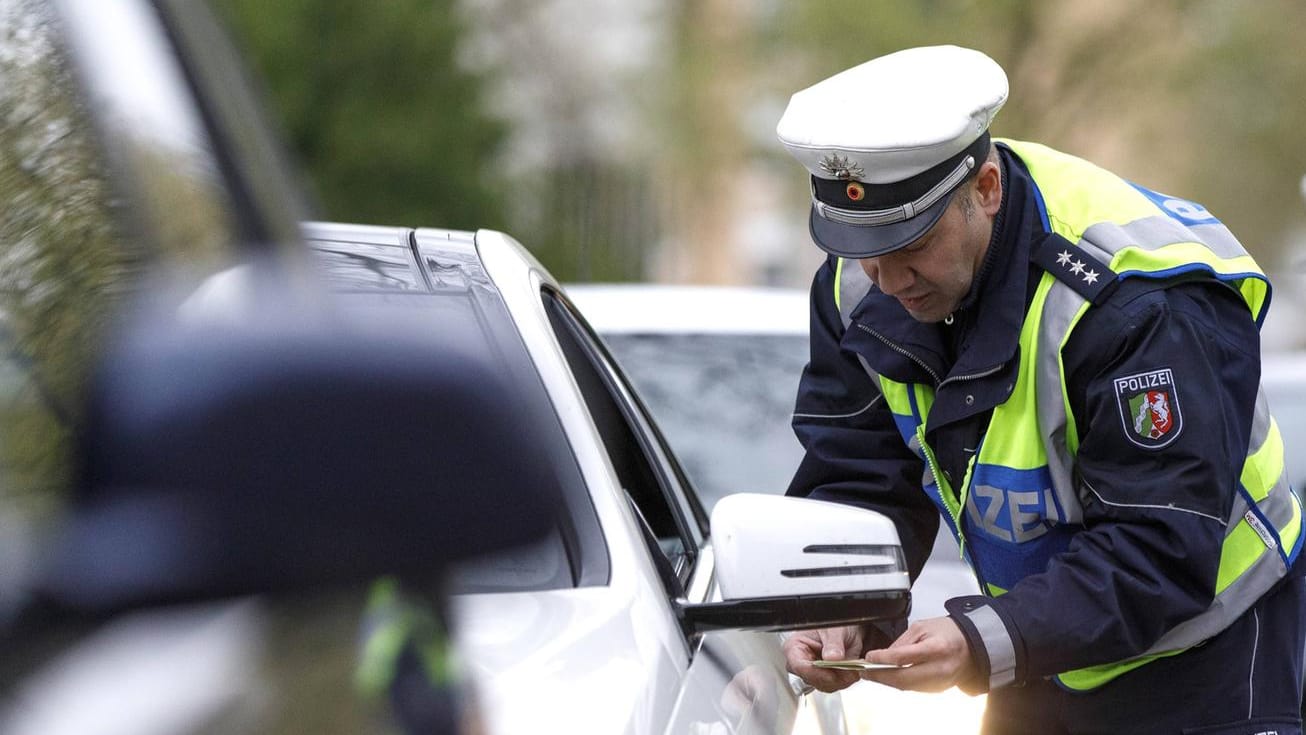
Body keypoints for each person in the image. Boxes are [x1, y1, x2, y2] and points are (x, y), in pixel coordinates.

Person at [776, 45, 1306, 734]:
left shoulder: (1136, 302)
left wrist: (981, 639)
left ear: (986, 189)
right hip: (1038, 649)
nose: (888, 278)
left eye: (912, 244)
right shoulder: (860, 284)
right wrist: (841, 607)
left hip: (1210, 659)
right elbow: (858, 474)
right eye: (862, 247)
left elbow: (1161, 546)